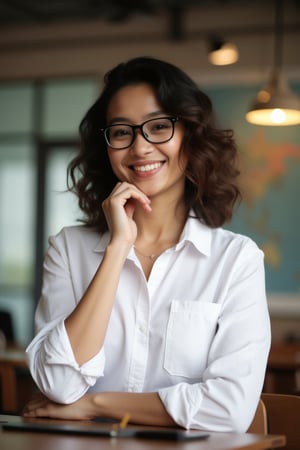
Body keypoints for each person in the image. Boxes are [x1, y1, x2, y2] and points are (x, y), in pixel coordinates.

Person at [24, 56, 271, 432]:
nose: (140, 148)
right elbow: (58, 385)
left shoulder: (236, 260)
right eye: (121, 132)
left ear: (190, 135)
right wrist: (117, 248)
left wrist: (94, 404)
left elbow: (230, 410)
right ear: (105, 148)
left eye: (159, 127)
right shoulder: (68, 250)